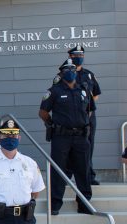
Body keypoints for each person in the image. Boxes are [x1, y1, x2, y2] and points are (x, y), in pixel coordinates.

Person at [40, 59, 94, 215]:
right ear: (61, 73)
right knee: (58, 171)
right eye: (66, 69)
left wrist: (81, 122)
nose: (70, 71)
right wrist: (54, 125)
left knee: (83, 170)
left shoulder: (83, 90)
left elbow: (89, 110)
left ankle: (84, 204)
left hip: (81, 137)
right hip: (61, 137)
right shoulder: (54, 91)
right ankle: (55, 204)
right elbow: (43, 113)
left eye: (72, 69)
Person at [53, 45, 103, 185]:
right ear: (70, 56)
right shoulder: (61, 75)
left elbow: (96, 95)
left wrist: (86, 108)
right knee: (69, 148)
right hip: (70, 119)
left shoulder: (89, 75)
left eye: (81, 55)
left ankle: (89, 175)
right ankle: (67, 176)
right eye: (76, 55)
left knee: (88, 146)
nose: (79, 58)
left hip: (88, 117)